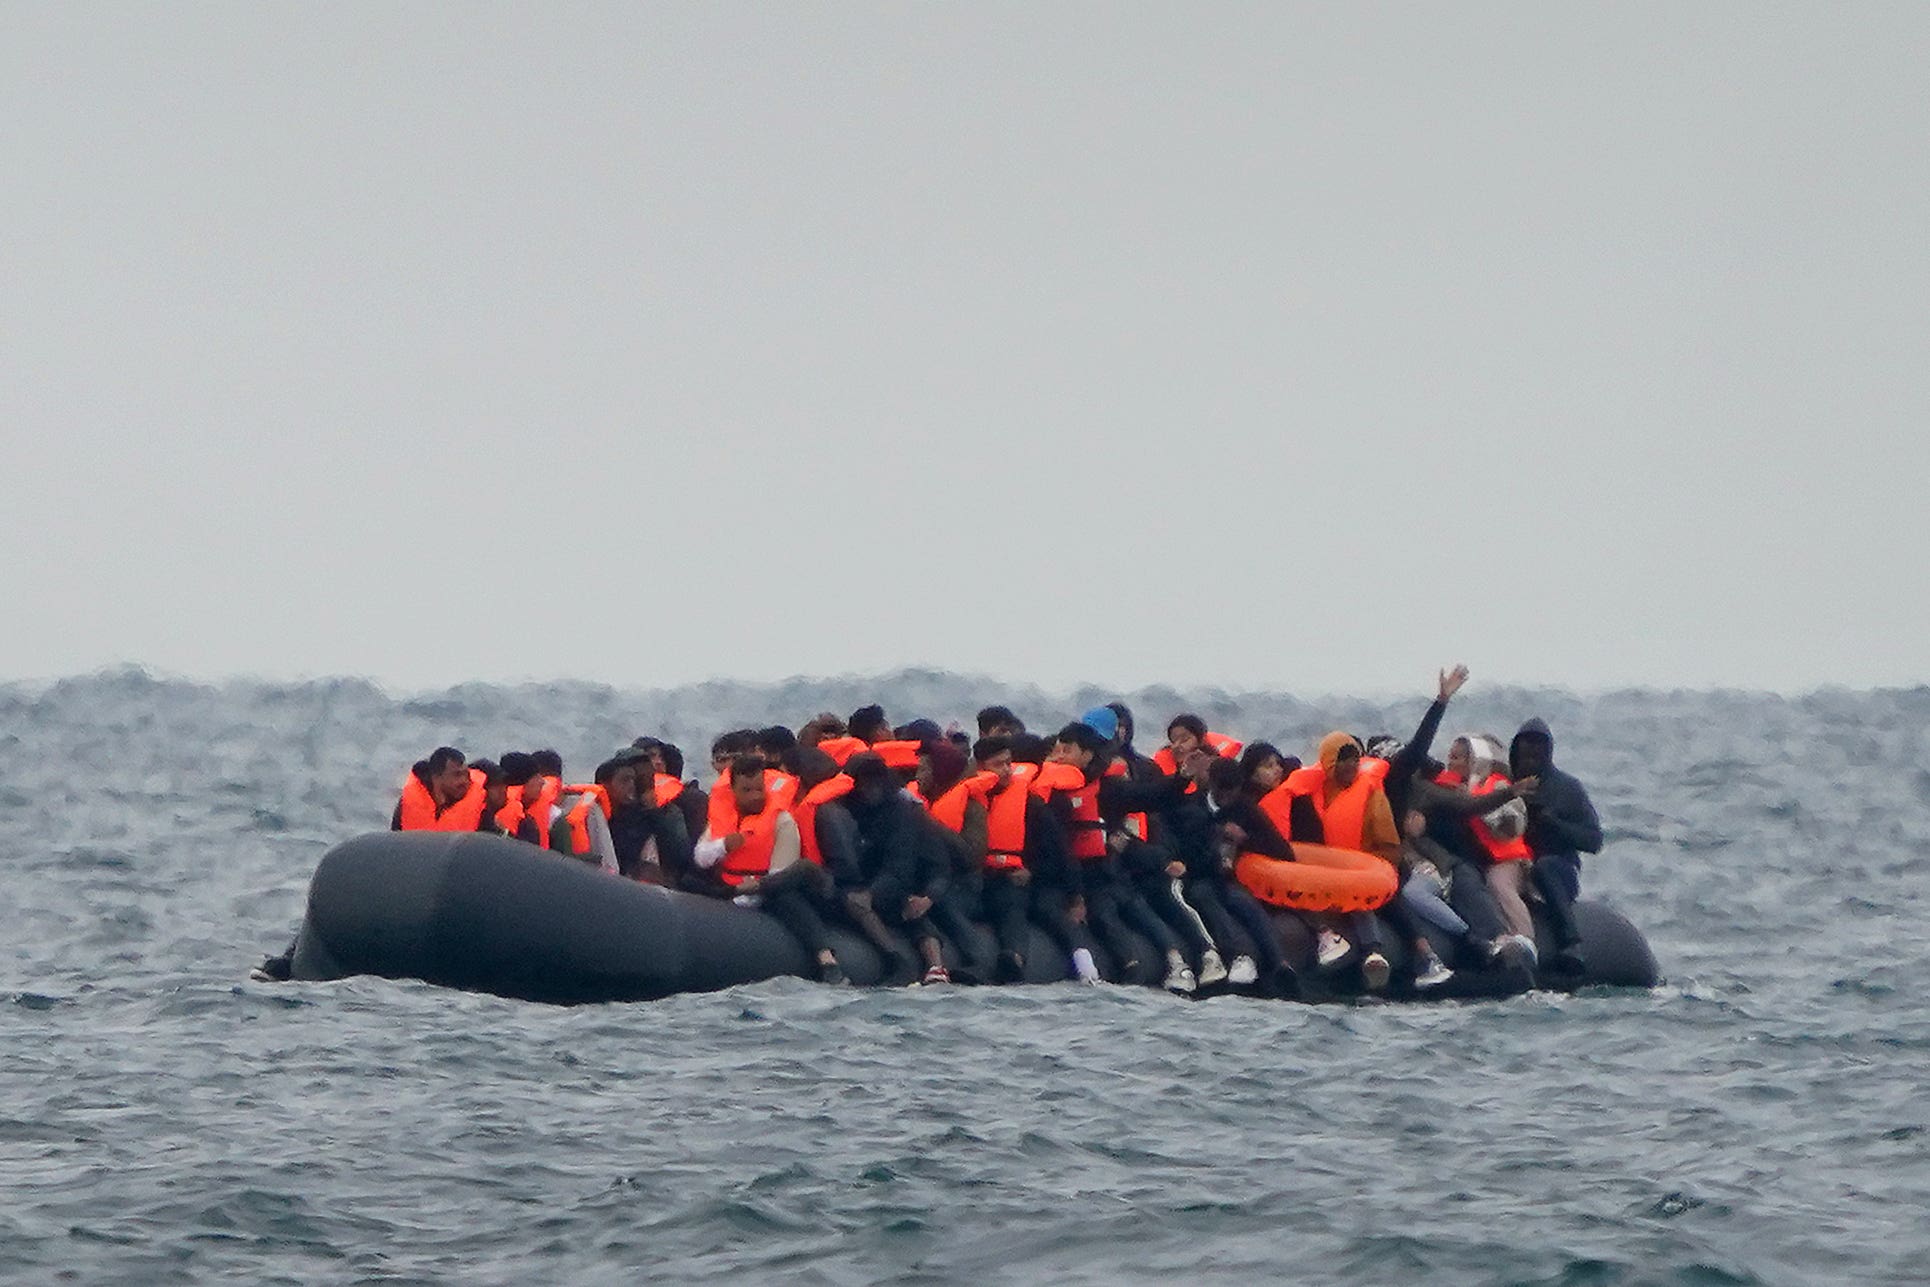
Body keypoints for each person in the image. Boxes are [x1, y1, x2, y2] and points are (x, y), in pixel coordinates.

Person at [1038, 716, 1197, 993]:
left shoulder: (1107, 789)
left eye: (1068, 750)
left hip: (1102, 873)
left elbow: (1148, 796)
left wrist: (1181, 779)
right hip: (1062, 878)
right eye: (1058, 750)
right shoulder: (1047, 789)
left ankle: (1166, 962)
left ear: (1087, 755)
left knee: (1112, 909)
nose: (1060, 756)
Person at [691, 754, 847, 984]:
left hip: (768, 890)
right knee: (691, 880)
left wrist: (742, 898)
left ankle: (825, 958)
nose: (755, 796)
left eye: (758, 789)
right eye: (746, 790)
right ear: (733, 791)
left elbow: (779, 875)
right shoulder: (722, 818)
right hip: (729, 888)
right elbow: (701, 857)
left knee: (786, 899)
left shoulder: (781, 821)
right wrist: (723, 846)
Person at [972, 735, 1101, 983]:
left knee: (1019, 905)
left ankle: (1018, 957)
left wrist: (1072, 895)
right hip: (977, 879)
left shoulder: (1030, 803)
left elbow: (1061, 852)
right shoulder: (967, 799)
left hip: (1021, 879)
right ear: (980, 768)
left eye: (1009, 763)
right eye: (998, 765)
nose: (1007, 770)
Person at [836, 752, 958, 984]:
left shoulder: (902, 813)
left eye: (873, 781)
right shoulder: (846, 807)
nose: (868, 788)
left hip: (914, 881)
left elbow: (901, 867)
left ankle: (931, 966)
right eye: (863, 782)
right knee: (851, 897)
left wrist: (873, 894)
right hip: (865, 878)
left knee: (908, 910)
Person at [1510, 717, 1601, 975]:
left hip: (1558, 871)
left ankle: (1570, 943)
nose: (1530, 755)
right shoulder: (1504, 786)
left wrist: (1555, 824)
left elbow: (1594, 841)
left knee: (1545, 866)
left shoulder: (1567, 788)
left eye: (1538, 748)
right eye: (1525, 749)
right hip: (1512, 867)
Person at [391, 746, 488, 832]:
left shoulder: (480, 806)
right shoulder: (408, 803)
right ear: (436, 777)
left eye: (466, 775)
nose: (465, 781)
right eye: (457, 775)